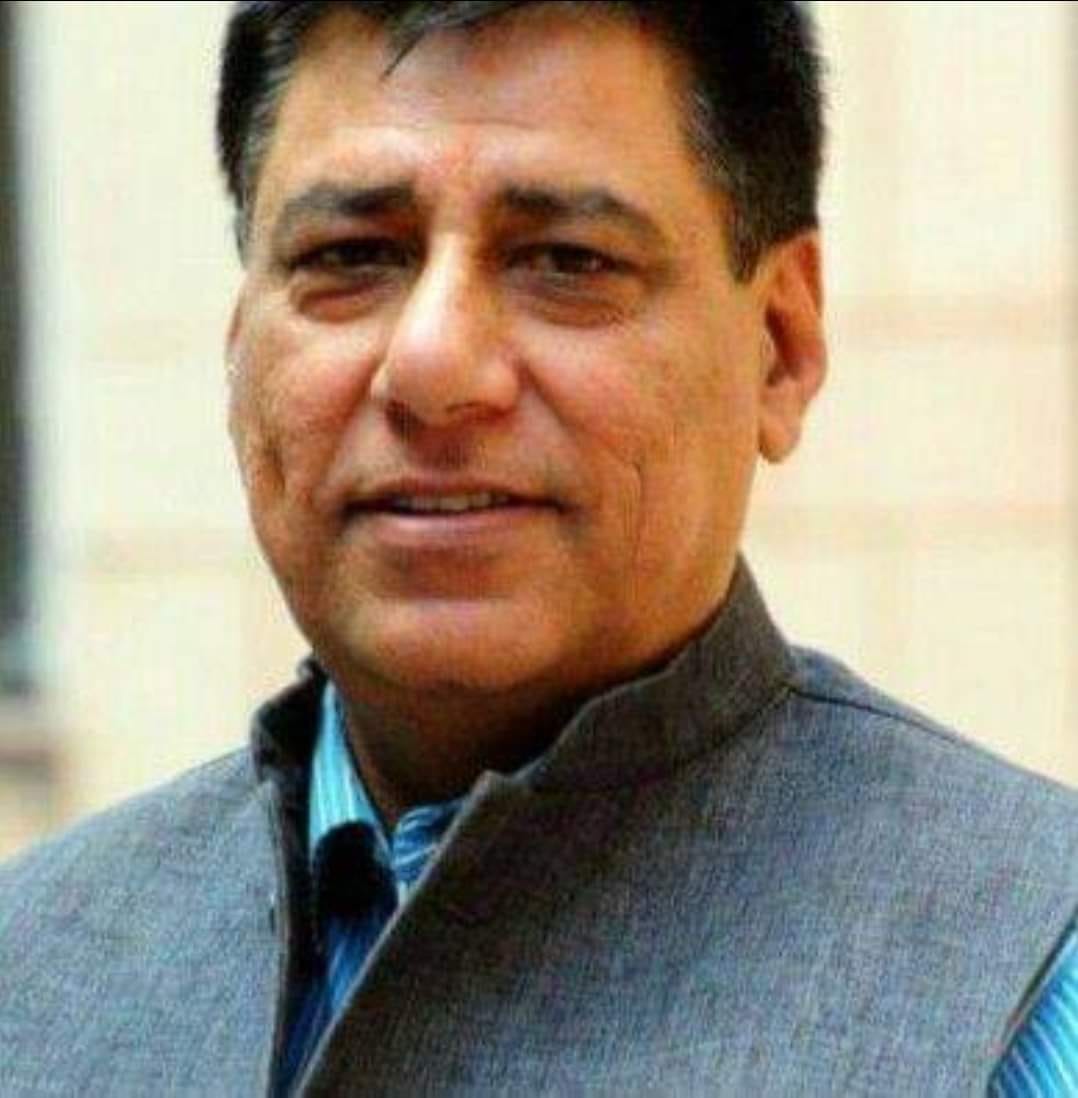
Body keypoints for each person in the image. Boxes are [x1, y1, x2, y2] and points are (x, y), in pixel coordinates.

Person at [2, 2, 1077, 1094]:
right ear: (239, 350)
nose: (433, 366)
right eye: (351, 256)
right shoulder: (32, 974)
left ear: (781, 345)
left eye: (567, 261)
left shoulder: (1027, 986)